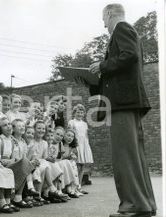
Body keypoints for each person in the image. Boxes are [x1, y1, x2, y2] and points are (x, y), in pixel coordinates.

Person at [75, 3, 156, 216]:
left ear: (110, 14)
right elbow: (123, 68)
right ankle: (144, 204)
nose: (104, 25)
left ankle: (133, 205)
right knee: (133, 156)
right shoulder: (125, 31)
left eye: (104, 19)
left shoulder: (121, 28)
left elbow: (130, 56)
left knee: (124, 157)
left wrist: (101, 66)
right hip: (126, 102)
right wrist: (92, 81)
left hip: (122, 104)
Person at [0, 118, 35, 208]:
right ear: (0, 128)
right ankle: (28, 189)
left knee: (26, 164)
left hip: (9, 162)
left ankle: (19, 196)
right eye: (5, 125)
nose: (8, 126)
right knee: (25, 163)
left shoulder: (12, 141)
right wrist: (7, 160)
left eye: (9, 124)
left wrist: (12, 160)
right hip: (0, 163)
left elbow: (14, 156)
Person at [68, 104, 93, 194]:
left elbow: (86, 136)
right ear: (74, 113)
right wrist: (72, 147)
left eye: (81, 112)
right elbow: (70, 135)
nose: (79, 114)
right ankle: (74, 186)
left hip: (84, 145)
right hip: (76, 145)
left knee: (82, 166)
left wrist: (87, 148)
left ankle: (79, 186)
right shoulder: (71, 122)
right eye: (78, 112)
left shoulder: (85, 124)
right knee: (77, 166)